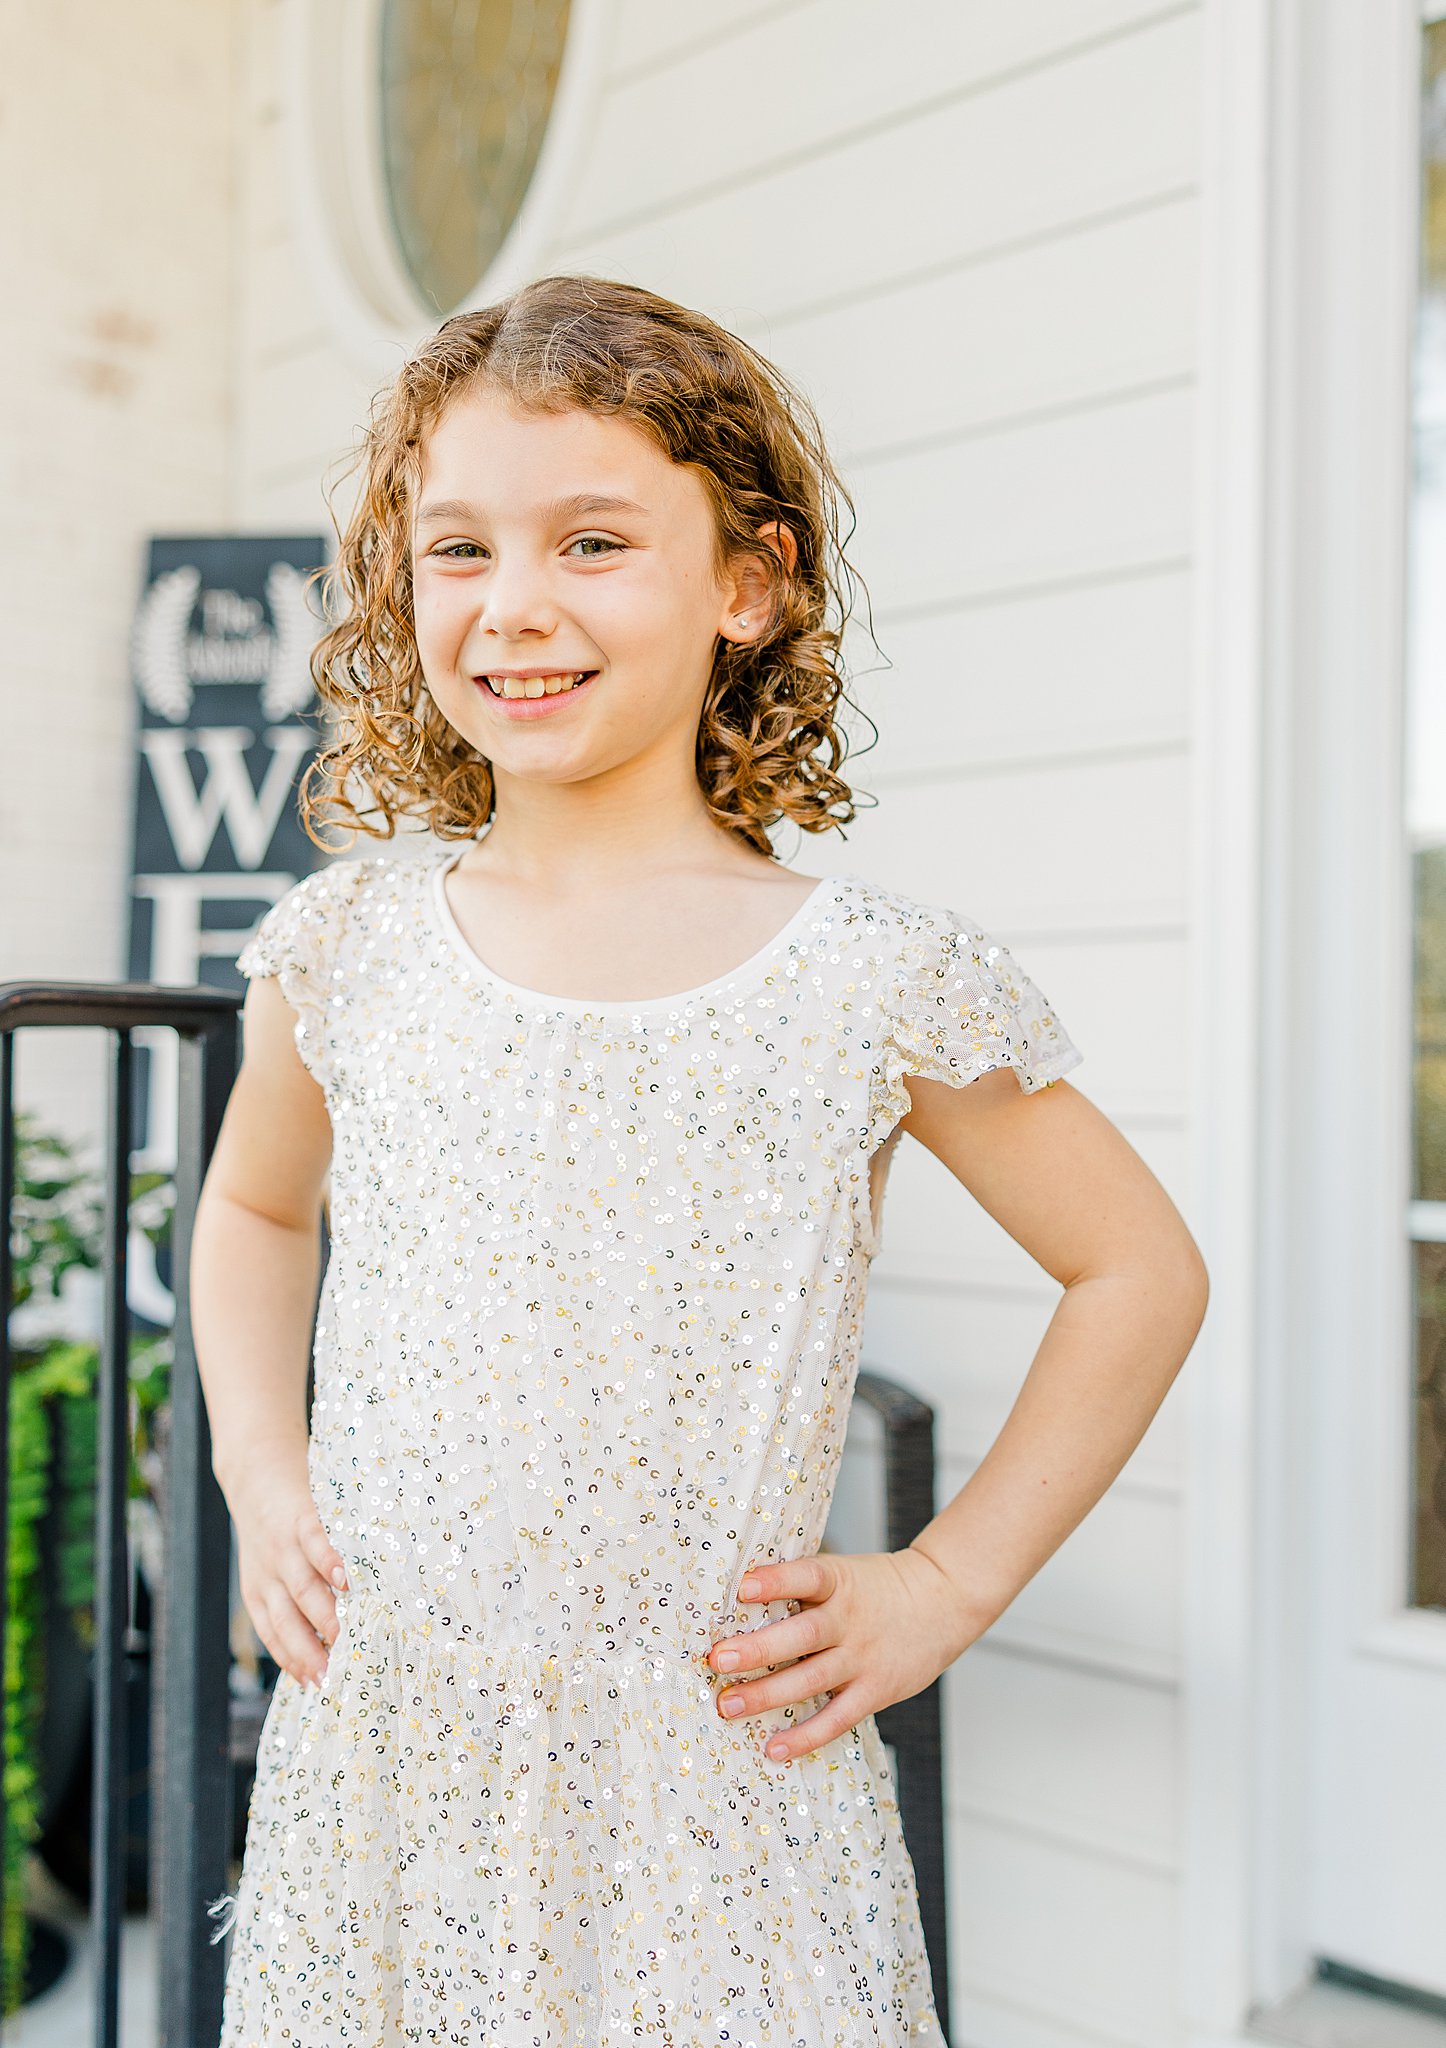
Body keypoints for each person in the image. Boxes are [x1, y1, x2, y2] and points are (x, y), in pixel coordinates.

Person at [189, 273, 1208, 2047]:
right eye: (457, 551)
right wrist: (260, 1473)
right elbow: (257, 1210)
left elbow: (1136, 1271)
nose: (513, 606)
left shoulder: (869, 974)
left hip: (711, 1785)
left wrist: (945, 1581)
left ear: (749, 581)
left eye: (592, 542)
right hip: (389, 1773)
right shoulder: (343, 947)